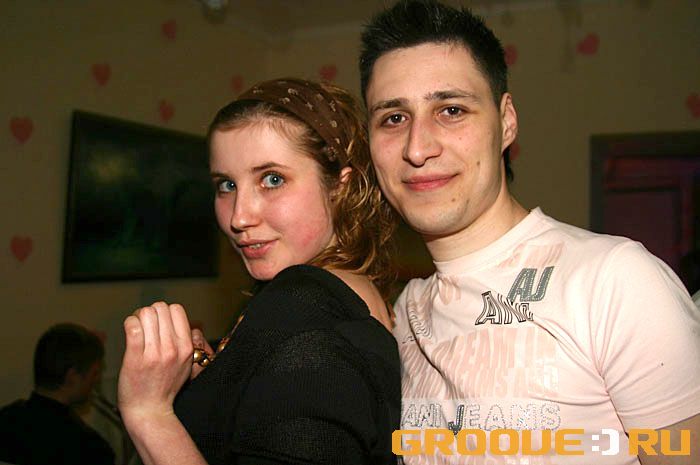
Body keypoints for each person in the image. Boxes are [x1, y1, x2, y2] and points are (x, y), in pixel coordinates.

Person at [359, 1, 700, 464]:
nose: (417, 148)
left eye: (451, 110)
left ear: (506, 122)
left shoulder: (614, 282)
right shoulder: (406, 314)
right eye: (393, 118)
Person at [117, 78, 401, 465]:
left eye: (272, 180)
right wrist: (219, 378)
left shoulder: (299, 307)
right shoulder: (351, 294)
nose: (239, 216)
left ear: (339, 186)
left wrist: (148, 412)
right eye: (226, 185)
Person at [0, 323, 115, 465]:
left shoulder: (5, 420)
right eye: (94, 373)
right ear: (72, 377)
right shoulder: (89, 448)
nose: (96, 381)